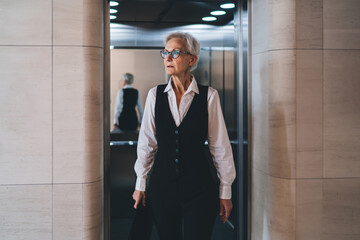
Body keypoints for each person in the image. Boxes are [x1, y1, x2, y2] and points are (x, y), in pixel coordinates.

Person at [132, 32, 236, 240]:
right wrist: (140, 183)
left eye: (175, 52)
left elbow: (220, 147)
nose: (168, 58)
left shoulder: (209, 96)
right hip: (162, 187)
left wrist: (226, 191)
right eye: (165, 53)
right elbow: (147, 144)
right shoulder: (155, 95)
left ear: (192, 59)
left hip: (199, 188)